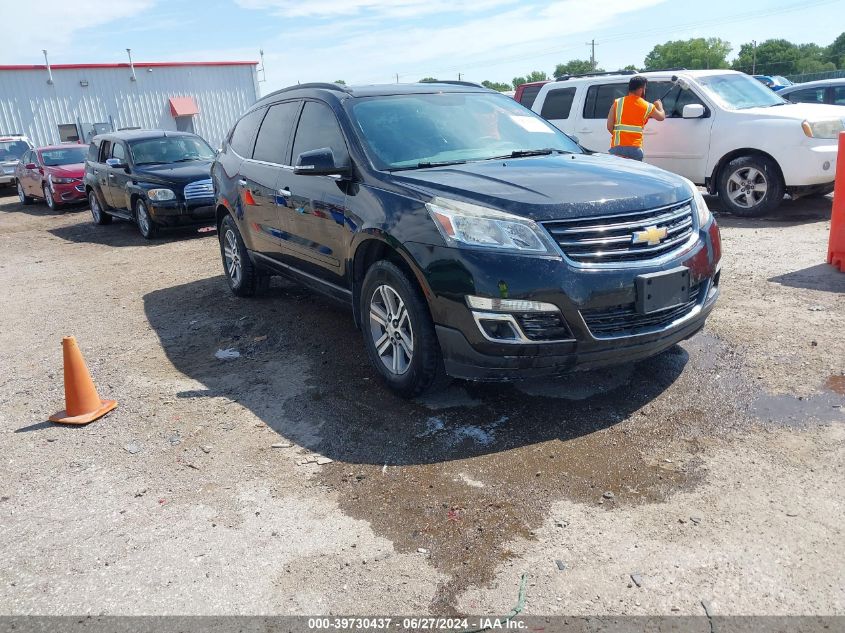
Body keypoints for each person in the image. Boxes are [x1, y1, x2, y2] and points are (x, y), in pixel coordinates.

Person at [606, 76, 665, 161]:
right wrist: (660, 106)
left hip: (617, 147)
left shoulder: (618, 102)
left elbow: (609, 126)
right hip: (635, 148)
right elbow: (661, 117)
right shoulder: (648, 106)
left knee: (618, 174)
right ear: (641, 89)